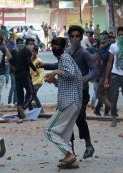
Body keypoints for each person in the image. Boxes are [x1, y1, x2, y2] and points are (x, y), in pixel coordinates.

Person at [41, 25, 98, 159]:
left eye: (77, 36)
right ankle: (69, 151)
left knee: (79, 118)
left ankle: (88, 145)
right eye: (72, 36)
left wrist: (85, 78)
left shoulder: (84, 53)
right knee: (68, 121)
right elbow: (60, 66)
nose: (74, 39)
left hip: (81, 91)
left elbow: (94, 70)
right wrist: (46, 67)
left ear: (81, 37)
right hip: (69, 90)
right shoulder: (67, 53)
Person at [44, 37, 83, 169]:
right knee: (64, 134)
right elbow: (65, 81)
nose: (55, 48)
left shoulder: (65, 57)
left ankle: (69, 155)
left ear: (64, 46)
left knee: (49, 130)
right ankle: (72, 160)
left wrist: (54, 71)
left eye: (58, 45)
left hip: (69, 101)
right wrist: (53, 80)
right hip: (73, 101)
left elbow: (70, 73)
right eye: (53, 45)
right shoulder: (63, 59)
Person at [104, 26, 123, 127]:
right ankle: (114, 118)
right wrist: (106, 78)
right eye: (120, 34)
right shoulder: (113, 46)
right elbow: (109, 62)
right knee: (114, 98)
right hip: (115, 75)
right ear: (117, 35)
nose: (121, 36)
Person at [13, 38, 37, 119]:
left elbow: (13, 62)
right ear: (26, 44)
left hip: (17, 75)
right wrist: (35, 69)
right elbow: (29, 62)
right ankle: (23, 108)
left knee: (20, 96)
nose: (32, 46)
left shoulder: (19, 52)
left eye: (33, 44)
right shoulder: (27, 52)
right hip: (24, 75)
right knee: (32, 93)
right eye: (30, 44)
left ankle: (20, 115)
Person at [93, 32, 112, 116]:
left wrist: (101, 49)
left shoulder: (108, 47)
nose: (102, 43)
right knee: (105, 93)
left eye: (102, 41)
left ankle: (112, 109)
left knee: (99, 93)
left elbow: (104, 58)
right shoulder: (107, 47)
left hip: (107, 74)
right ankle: (106, 112)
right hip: (104, 73)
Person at [30, 45, 45, 112]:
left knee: (33, 96)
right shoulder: (29, 60)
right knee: (30, 96)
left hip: (37, 82)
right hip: (30, 82)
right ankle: (31, 110)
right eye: (32, 51)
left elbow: (42, 72)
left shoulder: (38, 61)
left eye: (34, 52)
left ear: (36, 52)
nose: (33, 53)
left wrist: (40, 81)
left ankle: (41, 110)